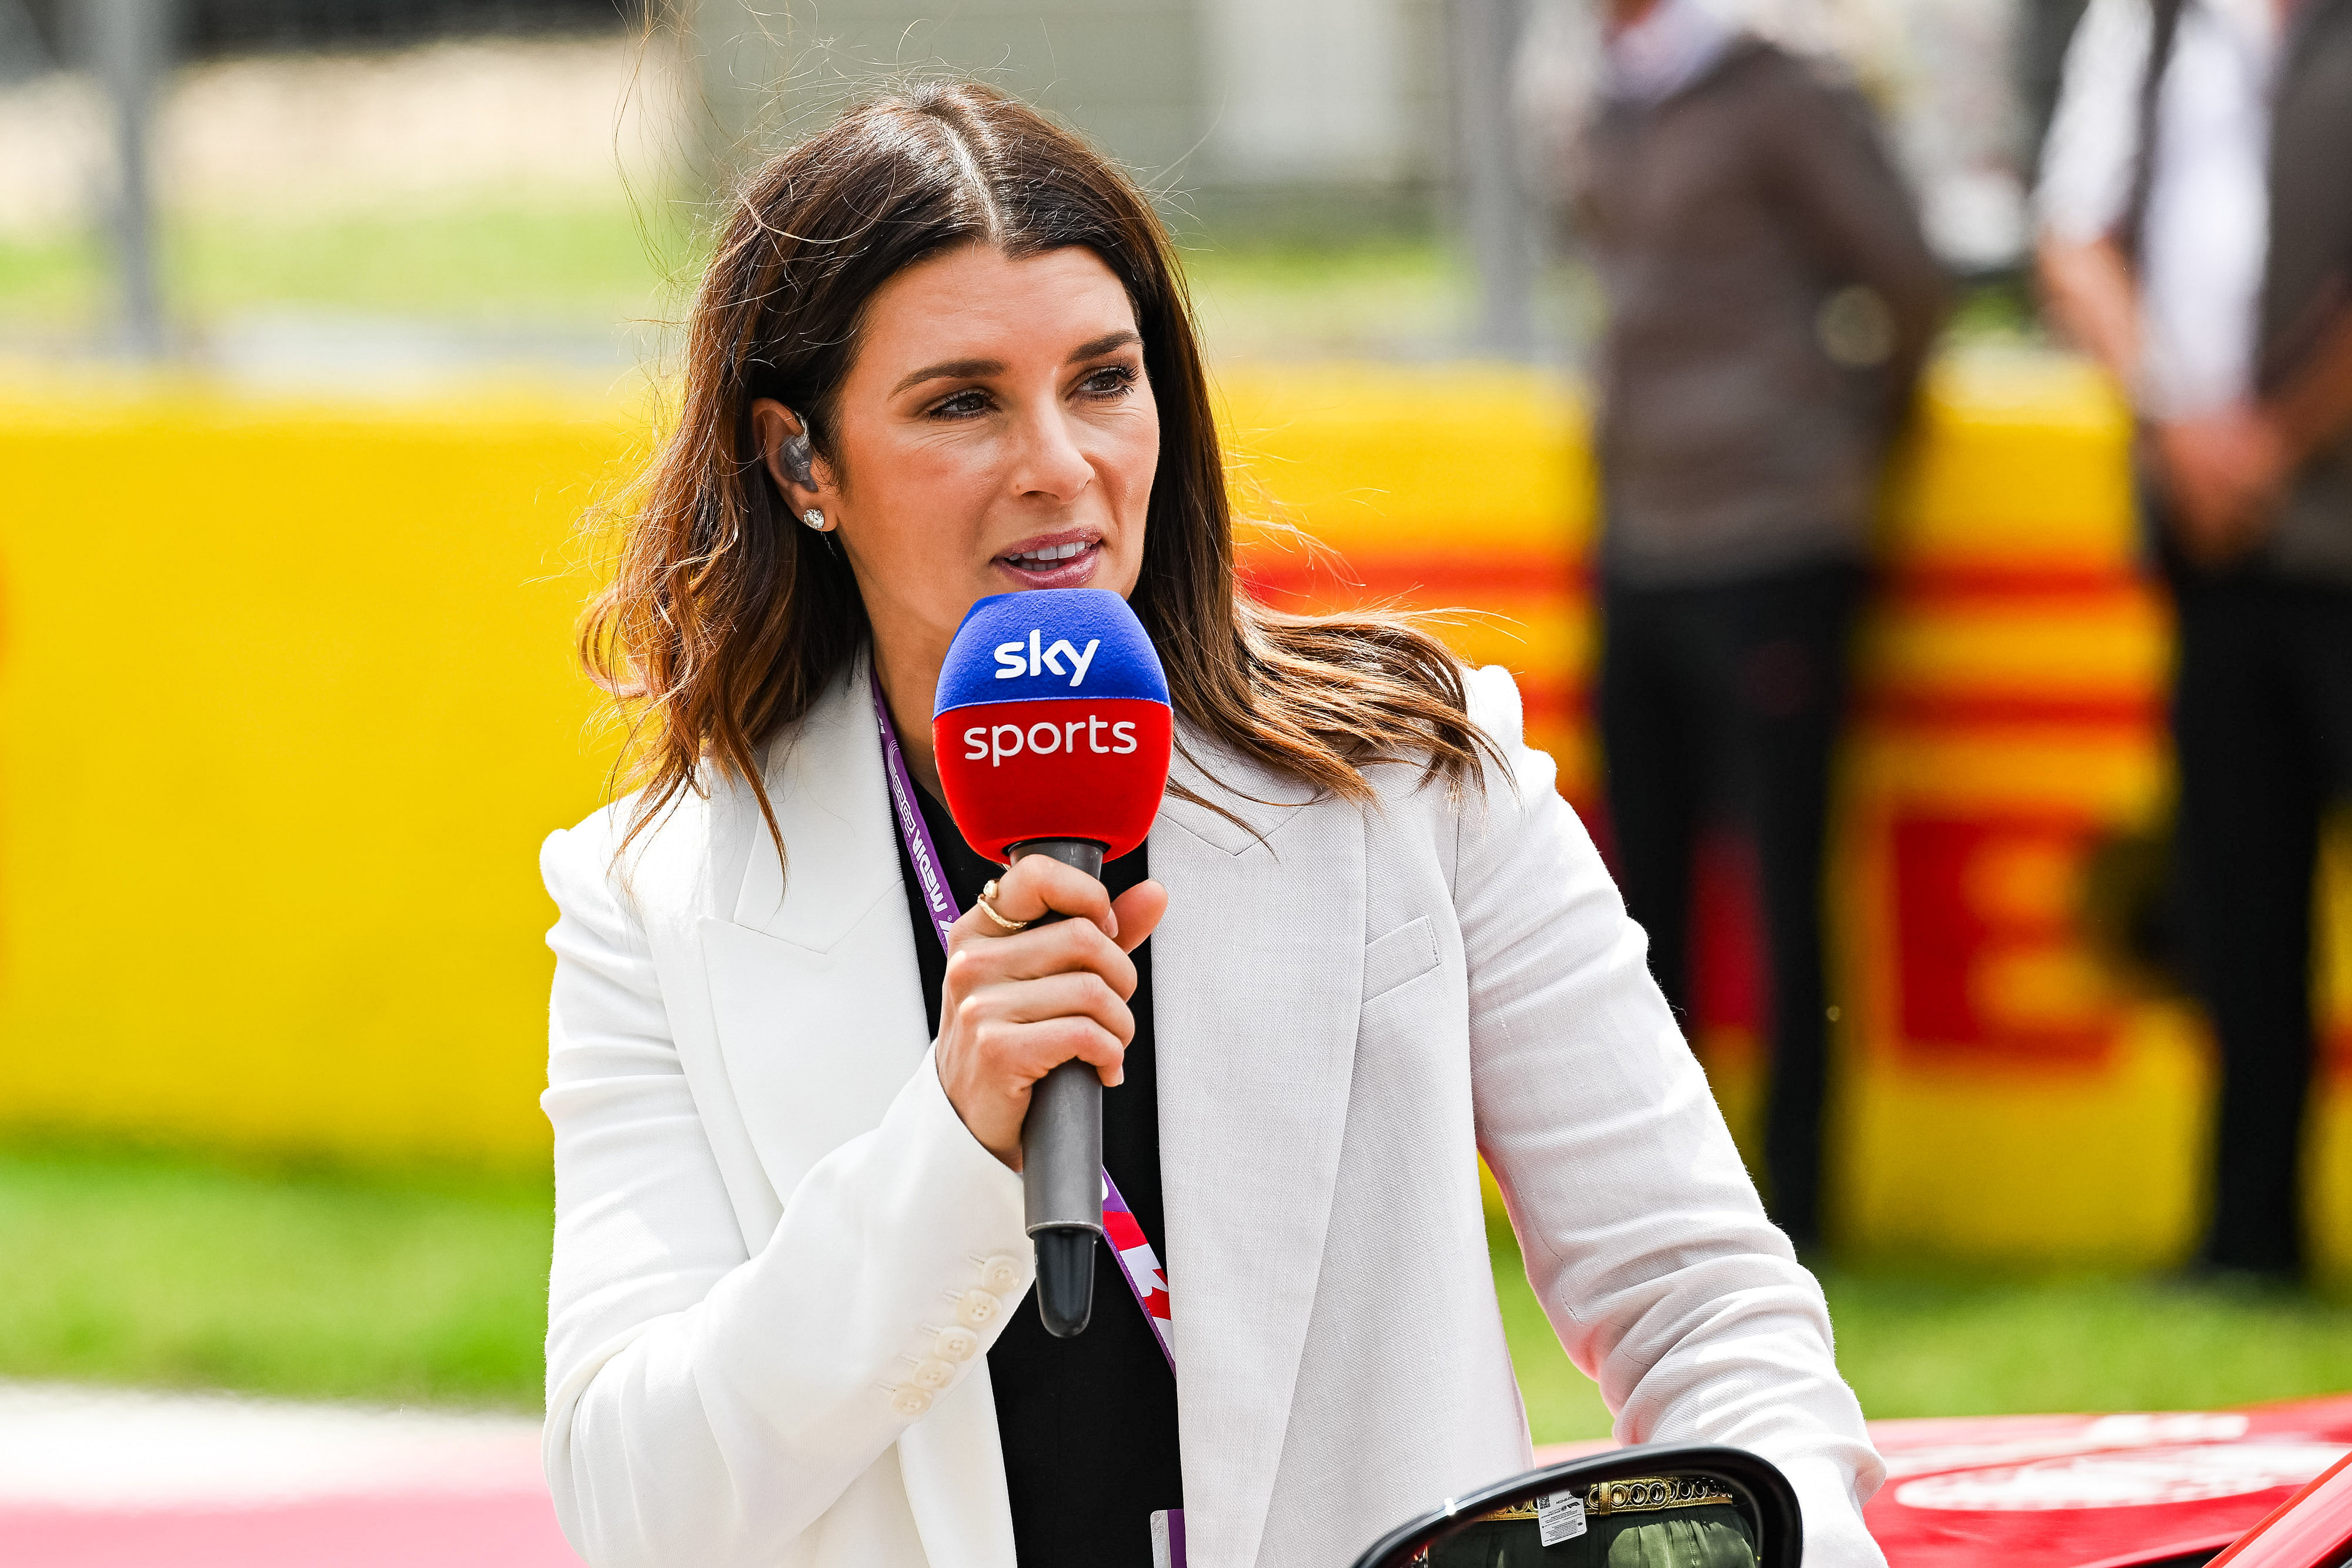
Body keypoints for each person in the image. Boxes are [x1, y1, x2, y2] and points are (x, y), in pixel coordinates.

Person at [537, 81, 1887, 1568]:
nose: (1059, 462)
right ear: (802, 461)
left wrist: (1800, 1536)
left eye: (1102, 379)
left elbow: (1701, 1299)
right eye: (961, 401)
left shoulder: (1422, 778)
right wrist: (952, 1142)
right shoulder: (650, 897)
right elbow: (634, 1504)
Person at [1569, 0, 1947, 1253]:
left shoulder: (1776, 86)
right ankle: (1659, 1207)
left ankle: (1799, 1202)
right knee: (1638, 895)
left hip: (1773, 540)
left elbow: (1903, 277)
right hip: (1639, 537)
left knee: (1785, 881)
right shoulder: (1604, 92)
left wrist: (1829, 449)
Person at [2037, 0, 2352, 1284]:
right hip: (2207, 545)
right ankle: (2244, 1235)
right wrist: (2178, 419)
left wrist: (2272, 438)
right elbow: (2072, 237)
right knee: (2236, 898)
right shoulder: (2150, 22)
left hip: (2323, 518)